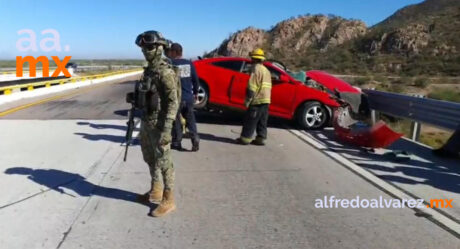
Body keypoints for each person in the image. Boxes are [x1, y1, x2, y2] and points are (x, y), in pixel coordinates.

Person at [133, 30, 180, 217]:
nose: (146, 51)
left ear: (160, 48)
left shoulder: (165, 72)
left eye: (150, 47)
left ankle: (168, 199)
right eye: (144, 48)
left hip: (160, 125)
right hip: (147, 121)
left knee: (164, 162)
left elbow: (173, 102)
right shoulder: (149, 71)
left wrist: (167, 129)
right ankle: (155, 190)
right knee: (150, 157)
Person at [166, 43, 200, 151]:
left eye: (171, 51)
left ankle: (177, 142)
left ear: (175, 52)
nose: (169, 53)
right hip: (188, 97)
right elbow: (196, 80)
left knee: (176, 120)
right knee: (190, 119)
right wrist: (195, 93)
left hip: (176, 99)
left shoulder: (171, 64)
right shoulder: (189, 64)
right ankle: (195, 139)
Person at [236, 48, 272, 146]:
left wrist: (247, 101)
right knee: (262, 121)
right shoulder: (266, 70)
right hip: (266, 100)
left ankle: (245, 139)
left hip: (257, 100)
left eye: (252, 58)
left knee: (250, 120)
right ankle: (261, 139)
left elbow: (252, 87)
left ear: (254, 59)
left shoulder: (255, 69)